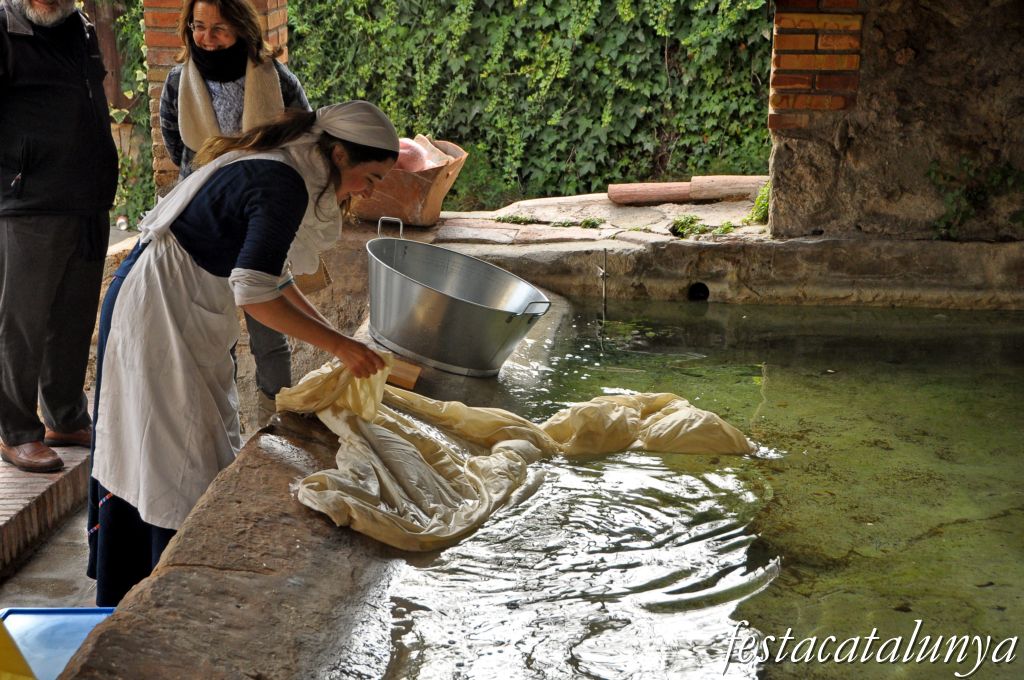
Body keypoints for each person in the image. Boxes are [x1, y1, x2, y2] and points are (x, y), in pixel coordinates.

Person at [87, 100, 398, 607]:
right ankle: (164, 600)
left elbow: (272, 278)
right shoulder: (283, 183)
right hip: (161, 312)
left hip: (174, 304)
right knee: (172, 462)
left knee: (177, 451)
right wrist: (340, 344)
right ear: (339, 154)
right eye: (372, 176)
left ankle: (153, 588)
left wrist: (342, 346)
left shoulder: (286, 167)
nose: (370, 190)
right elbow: (254, 295)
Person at [160, 0, 312, 418]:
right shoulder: (178, 81)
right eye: (198, 26)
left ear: (242, 28)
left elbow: (302, 133)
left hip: (260, 218)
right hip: (206, 219)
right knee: (213, 327)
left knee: (269, 321)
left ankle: (279, 415)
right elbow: (178, 147)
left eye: (219, 28)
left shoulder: (274, 77)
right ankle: (220, 422)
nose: (207, 39)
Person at [0, 0, 119, 472]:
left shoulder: (81, 28)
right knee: (21, 324)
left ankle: (65, 417)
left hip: (88, 201)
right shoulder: (4, 31)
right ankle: (16, 431)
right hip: (29, 205)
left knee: (73, 320)